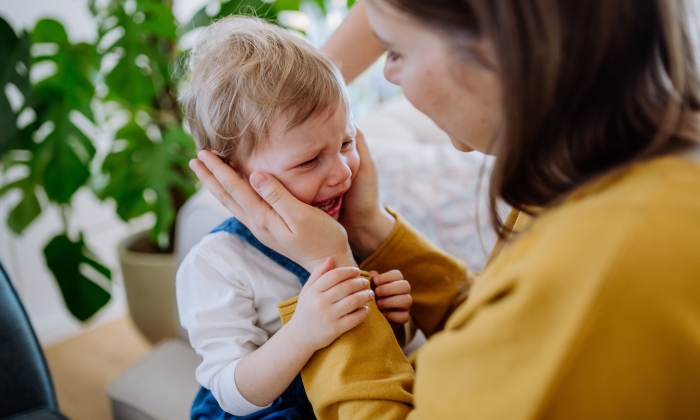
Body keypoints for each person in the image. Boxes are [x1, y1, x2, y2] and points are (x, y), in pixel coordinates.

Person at [190, 0, 700, 418]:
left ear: (497, 47)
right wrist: (371, 236)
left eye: (395, 49)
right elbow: (495, 336)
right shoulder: (591, 182)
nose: (388, 74)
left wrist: (339, 277)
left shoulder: (601, 261)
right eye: (307, 157)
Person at [176, 16, 414, 419]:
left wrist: (391, 322)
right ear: (232, 174)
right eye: (308, 161)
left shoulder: (342, 225)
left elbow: (385, 357)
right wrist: (301, 335)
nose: (342, 172)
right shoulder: (216, 263)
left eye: (346, 141)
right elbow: (231, 395)